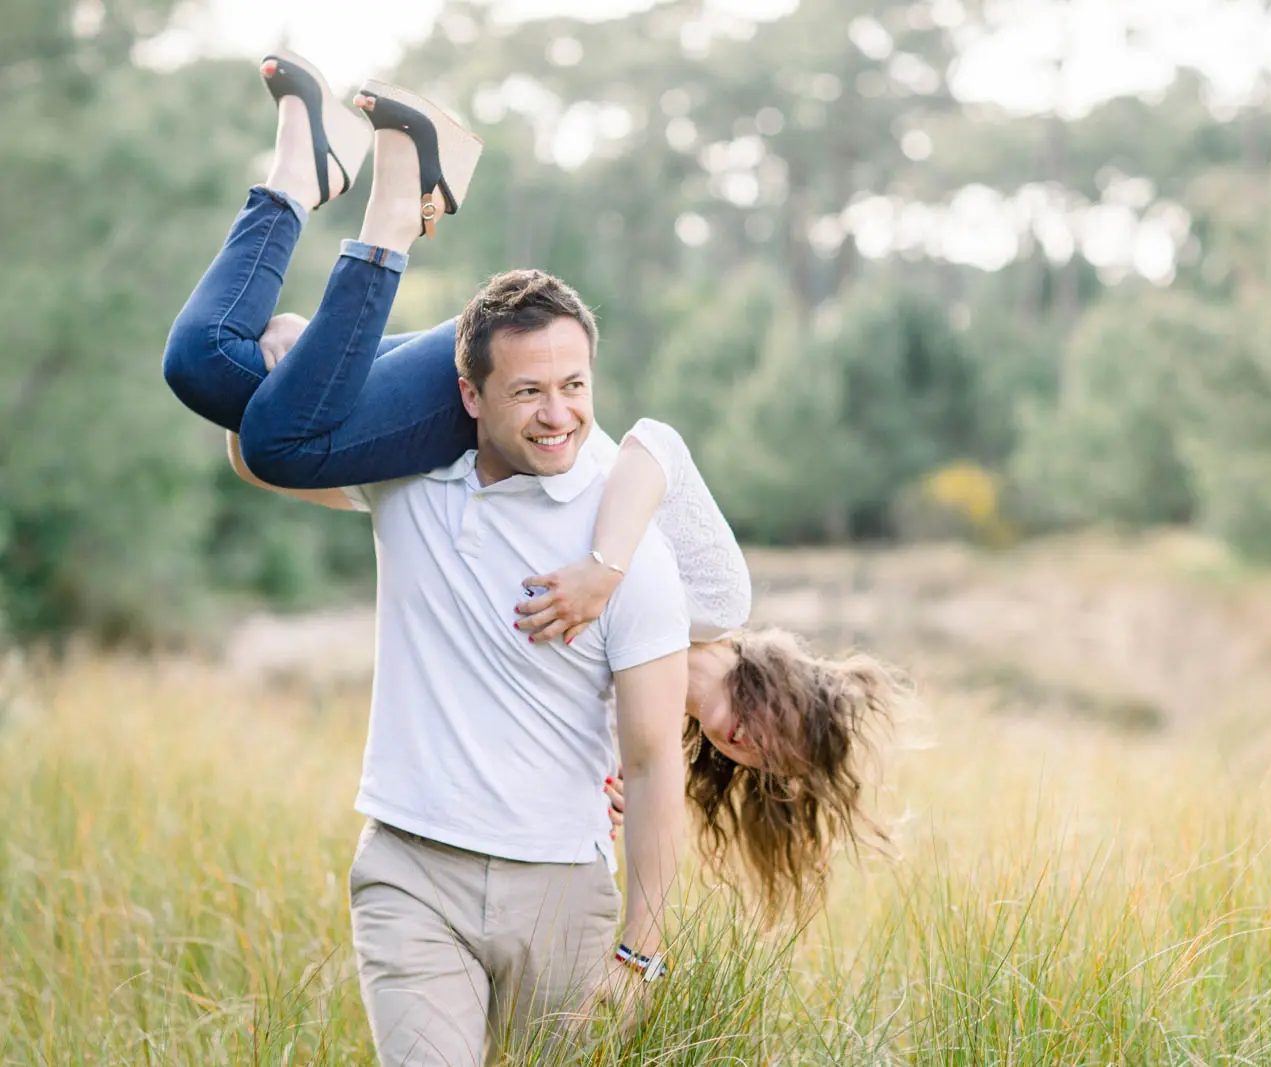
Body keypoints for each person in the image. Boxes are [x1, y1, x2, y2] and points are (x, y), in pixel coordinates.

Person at [164, 54, 898, 952]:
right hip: (503, 385)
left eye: (764, 767)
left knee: (208, 370)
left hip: (449, 435)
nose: (752, 748)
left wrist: (289, 418)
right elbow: (652, 447)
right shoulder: (716, 600)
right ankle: (401, 196)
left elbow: (454, 544)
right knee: (280, 437)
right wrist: (603, 570)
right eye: (781, 734)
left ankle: (299, 169)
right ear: (788, 688)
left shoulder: (635, 712)